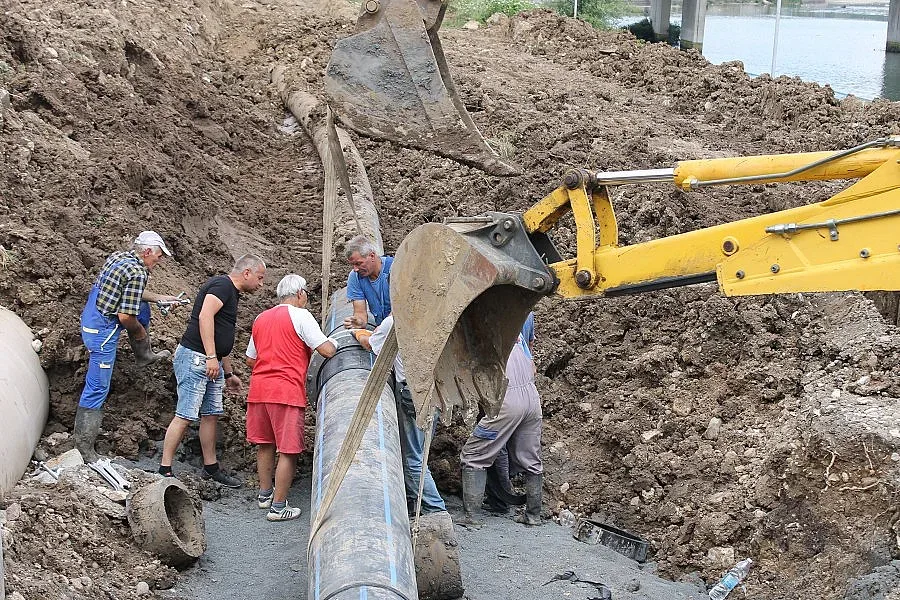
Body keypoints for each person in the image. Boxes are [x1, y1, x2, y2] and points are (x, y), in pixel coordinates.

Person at [158, 254, 266, 486]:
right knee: (185, 414)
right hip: (196, 358)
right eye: (259, 277)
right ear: (246, 273)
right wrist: (209, 357)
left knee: (211, 414)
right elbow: (205, 316)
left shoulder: (231, 292)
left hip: (210, 361)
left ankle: (211, 467)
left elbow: (221, 334)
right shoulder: (222, 286)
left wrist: (228, 373)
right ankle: (164, 469)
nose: (261, 284)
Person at [74, 231, 181, 463]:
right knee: (98, 388)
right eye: (159, 256)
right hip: (101, 330)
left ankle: (144, 355)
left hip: (92, 313)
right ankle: (84, 447)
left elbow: (132, 295)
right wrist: (140, 333)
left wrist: (161, 297)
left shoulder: (119, 258)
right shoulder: (137, 272)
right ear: (146, 252)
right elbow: (125, 316)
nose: (159, 261)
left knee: (143, 308)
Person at [245, 274, 338, 521]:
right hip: (286, 391)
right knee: (288, 450)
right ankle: (278, 507)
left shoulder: (261, 318)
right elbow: (326, 350)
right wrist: (338, 342)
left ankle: (265, 495)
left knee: (265, 443)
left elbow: (250, 359)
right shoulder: (301, 316)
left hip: (259, 391)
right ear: (300, 294)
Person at [459, 312, 543, 526]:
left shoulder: (483, 336)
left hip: (507, 400)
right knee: (530, 459)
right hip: (532, 400)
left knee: (473, 455)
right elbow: (532, 365)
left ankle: (471, 517)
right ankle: (533, 515)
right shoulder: (517, 335)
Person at [358, 315, 447, 516]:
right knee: (422, 451)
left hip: (412, 393)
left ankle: (436, 510)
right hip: (437, 391)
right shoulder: (433, 319)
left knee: (413, 457)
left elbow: (371, 345)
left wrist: (358, 333)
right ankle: (416, 501)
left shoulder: (395, 322)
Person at [342, 235, 391, 329]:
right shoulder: (355, 277)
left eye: (358, 263)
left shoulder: (394, 270)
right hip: (383, 327)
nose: (355, 269)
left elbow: (402, 309)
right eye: (352, 265)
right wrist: (359, 322)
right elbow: (360, 312)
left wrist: (383, 329)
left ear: (372, 256)